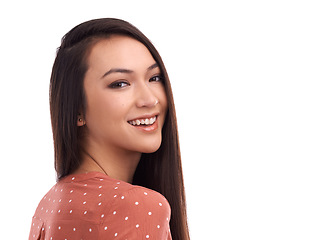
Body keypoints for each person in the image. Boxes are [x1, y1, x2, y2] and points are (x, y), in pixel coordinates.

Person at [28, 18, 189, 239]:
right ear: (77, 110)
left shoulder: (50, 204)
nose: (149, 99)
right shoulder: (137, 204)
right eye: (120, 83)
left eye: (154, 77)